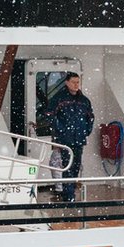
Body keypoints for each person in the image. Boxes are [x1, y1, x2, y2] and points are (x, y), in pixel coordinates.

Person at [52, 72, 94, 202]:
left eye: (78, 82)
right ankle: (68, 195)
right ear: (67, 82)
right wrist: (61, 130)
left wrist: (86, 131)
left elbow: (90, 117)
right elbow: (50, 115)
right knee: (66, 166)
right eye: (74, 82)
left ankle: (69, 193)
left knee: (76, 166)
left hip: (79, 139)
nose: (76, 85)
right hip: (65, 140)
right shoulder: (59, 98)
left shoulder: (84, 100)